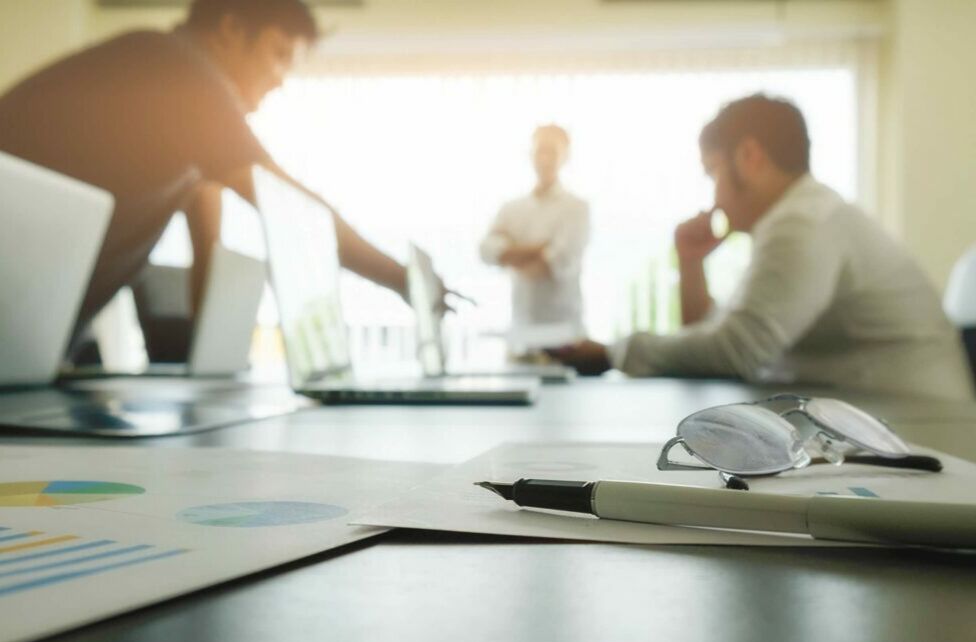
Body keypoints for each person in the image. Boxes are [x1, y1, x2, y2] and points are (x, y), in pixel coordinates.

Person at [0, 0, 449, 362]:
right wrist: (403, 278)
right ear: (231, 28)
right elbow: (286, 203)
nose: (279, 79)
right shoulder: (172, 65)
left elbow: (208, 243)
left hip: (31, 341)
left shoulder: (183, 128)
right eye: (277, 53)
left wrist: (207, 359)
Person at [552, 94, 974, 400]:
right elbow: (719, 334)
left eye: (713, 171)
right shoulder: (797, 218)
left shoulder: (803, 224)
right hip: (890, 419)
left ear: (750, 155)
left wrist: (612, 352)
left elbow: (737, 351)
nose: (713, 196)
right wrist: (691, 263)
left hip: (926, 433)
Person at [479, 124, 591, 347]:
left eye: (553, 151)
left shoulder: (577, 208)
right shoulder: (512, 208)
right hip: (521, 331)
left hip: (566, 335)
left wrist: (511, 252)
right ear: (530, 154)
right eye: (540, 150)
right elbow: (486, 251)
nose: (545, 159)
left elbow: (546, 266)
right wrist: (539, 248)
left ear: (566, 156)